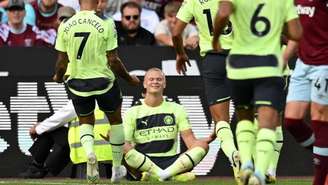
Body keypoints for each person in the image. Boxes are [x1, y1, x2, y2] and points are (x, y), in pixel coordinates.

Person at [212, 0, 302, 184]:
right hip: (269, 67)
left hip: (239, 67)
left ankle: (246, 165)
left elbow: (222, 14)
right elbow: (297, 33)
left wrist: (215, 39)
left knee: (244, 118)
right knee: (267, 123)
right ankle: (260, 172)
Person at [53, 0, 140, 183]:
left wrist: (58, 76)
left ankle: (90, 153)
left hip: (77, 82)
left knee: (85, 121)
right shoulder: (106, 22)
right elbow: (114, 60)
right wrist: (129, 78)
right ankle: (116, 168)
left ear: (78, 2)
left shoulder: (66, 24)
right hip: (104, 82)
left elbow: (62, 61)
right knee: (115, 121)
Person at [171, 0, 240, 183]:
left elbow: (176, 31)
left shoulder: (193, 1)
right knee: (249, 116)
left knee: (221, 121)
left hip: (214, 59)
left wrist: (180, 53)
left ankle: (234, 155)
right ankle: (261, 165)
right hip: (242, 56)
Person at [123, 68, 210, 182]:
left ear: (164, 84)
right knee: (120, 143)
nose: (155, 82)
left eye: (159, 79)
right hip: (143, 161)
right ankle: (169, 176)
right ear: (144, 84)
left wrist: (202, 143)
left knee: (203, 145)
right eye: (151, 79)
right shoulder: (132, 112)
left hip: (172, 161)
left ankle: (161, 175)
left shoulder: (177, 109)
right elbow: (126, 143)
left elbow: (190, 141)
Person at [283, 1, 328, 185]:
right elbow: (297, 34)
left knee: (319, 117)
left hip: (324, 64)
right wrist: (283, 58)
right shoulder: (294, 1)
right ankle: (324, 153)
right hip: (302, 64)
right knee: (292, 121)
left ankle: (319, 179)